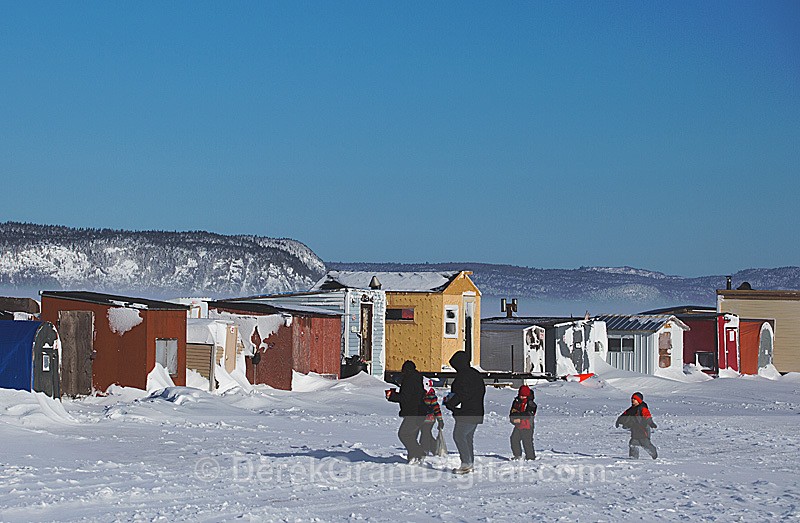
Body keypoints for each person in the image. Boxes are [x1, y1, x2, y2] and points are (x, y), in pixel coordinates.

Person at [443, 351, 486, 474]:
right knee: (467, 438)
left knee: (459, 436)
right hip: (476, 411)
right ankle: (469, 463)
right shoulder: (475, 374)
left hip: (467, 411)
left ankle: (466, 464)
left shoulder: (464, 376)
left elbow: (462, 393)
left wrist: (451, 403)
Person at [386, 360, 427, 464]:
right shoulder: (417, 378)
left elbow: (405, 397)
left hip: (413, 412)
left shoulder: (409, 380)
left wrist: (392, 396)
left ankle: (419, 453)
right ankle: (413, 457)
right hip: (419, 411)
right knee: (412, 436)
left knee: (404, 434)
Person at [615, 391, 658, 459]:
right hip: (635, 429)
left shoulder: (642, 408)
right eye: (632, 399)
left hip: (643, 429)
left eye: (635, 399)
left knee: (645, 443)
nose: (633, 400)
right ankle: (633, 458)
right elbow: (624, 415)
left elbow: (647, 415)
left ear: (639, 400)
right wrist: (619, 421)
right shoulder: (631, 409)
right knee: (633, 443)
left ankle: (654, 453)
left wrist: (650, 422)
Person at [509, 384, 537, 461]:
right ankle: (517, 455)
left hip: (527, 426)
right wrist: (513, 420)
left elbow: (528, 415)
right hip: (518, 426)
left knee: (527, 442)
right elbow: (512, 413)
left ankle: (530, 457)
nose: (521, 397)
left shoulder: (531, 404)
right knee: (514, 439)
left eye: (523, 396)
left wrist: (519, 418)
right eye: (520, 395)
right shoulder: (516, 401)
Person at [419, 378, 445, 455]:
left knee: (425, 433)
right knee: (426, 433)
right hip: (421, 418)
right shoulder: (420, 394)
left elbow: (436, 408)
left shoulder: (431, 395)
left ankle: (425, 449)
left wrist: (440, 419)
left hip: (429, 419)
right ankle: (434, 448)